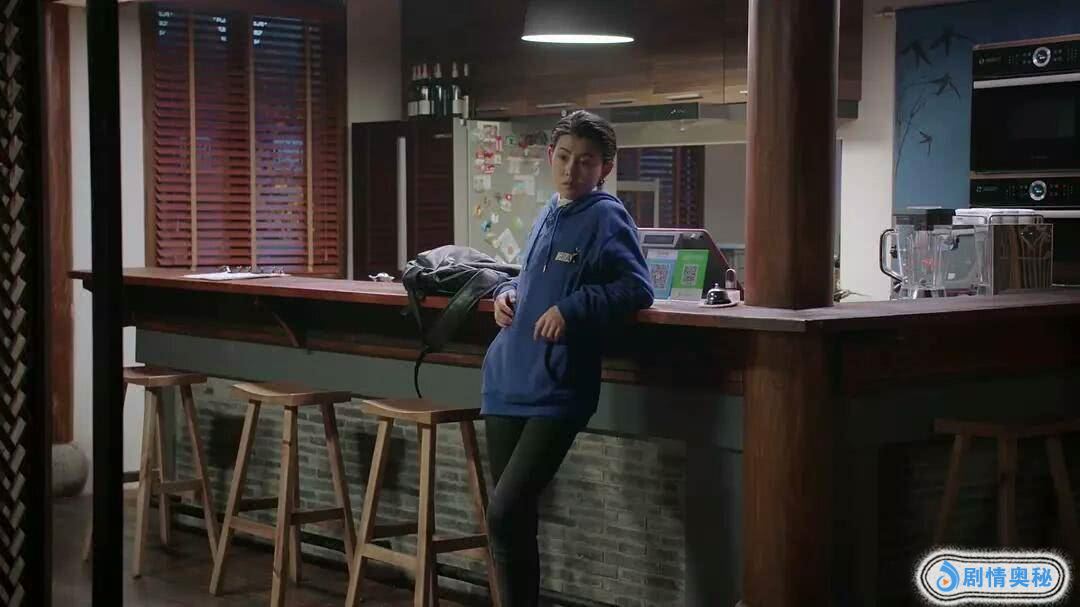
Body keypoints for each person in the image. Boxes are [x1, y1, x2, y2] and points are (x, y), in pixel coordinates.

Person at [479, 110, 654, 606]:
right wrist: (507, 295)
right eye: (562, 157)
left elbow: (636, 288)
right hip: (506, 380)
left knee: (504, 513)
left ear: (605, 168)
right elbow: (533, 279)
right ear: (549, 157)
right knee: (514, 524)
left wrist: (572, 309)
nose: (571, 170)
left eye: (585, 161)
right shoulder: (547, 211)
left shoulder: (606, 216)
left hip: (558, 389)